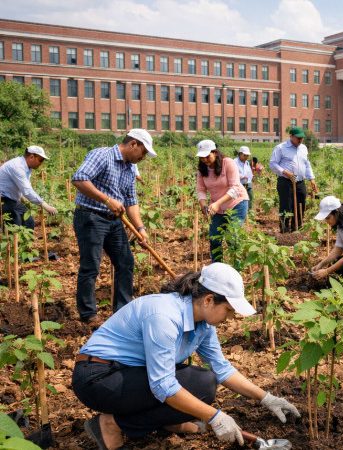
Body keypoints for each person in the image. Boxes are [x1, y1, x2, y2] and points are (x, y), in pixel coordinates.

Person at [72, 263, 300, 450]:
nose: (231, 318)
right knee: (192, 388)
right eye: (229, 310)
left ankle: (166, 422)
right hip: (99, 377)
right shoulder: (164, 316)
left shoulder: (204, 325)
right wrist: (215, 417)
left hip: (131, 374)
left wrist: (266, 398)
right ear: (209, 300)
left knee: (205, 383)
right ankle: (111, 424)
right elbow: (163, 385)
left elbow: (221, 369)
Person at [72, 129, 155, 328]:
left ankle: (122, 310)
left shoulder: (130, 169)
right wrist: (106, 200)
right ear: (133, 144)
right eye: (143, 152)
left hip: (114, 220)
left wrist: (141, 228)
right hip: (91, 216)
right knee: (91, 265)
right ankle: (88, 314)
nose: (143, 158)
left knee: (126, 261)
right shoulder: (102, 155)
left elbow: (131, 201)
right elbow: (79, 178)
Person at [195, 139, 249, 262]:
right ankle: (217, 267)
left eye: (207, 156)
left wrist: (217, 203)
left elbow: (235, 188)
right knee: (214, 238)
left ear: (215, 152)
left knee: (232, 237)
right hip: (218, 208)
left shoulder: (227, 163)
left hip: (237, 203)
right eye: (202, 157)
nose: (204, 160)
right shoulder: (202, 170)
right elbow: (201, 190)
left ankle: (237, 267)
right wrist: (203, 206)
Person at [269, 127, 317, 232]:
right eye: (298, 138)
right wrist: (285, 172)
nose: (300, 140)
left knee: (301, 204)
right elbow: (272, 164)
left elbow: (307, 164)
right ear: (291, 136)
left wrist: (311, 178)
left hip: (300, 182)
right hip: (285, 182)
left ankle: (297, 228)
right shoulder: (281, 148)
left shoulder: (303, 148)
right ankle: (284, 229)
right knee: (286, 205)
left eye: (302, 138)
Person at [0, 145, 58, 229]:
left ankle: (25, 241)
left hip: (10, 199)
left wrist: (22, 197)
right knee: (16, 223)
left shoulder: (26, 167)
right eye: (41, 160)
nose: (41, 163)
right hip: (3, 200)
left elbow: (24, 187)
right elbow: (27, 190)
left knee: (28, 222)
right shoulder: (17, 167)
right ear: (31, 157)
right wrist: (45, 205)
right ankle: (11, 240)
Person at [235, 146, 254, 211]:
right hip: (239, 184)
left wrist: (251, 176)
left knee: (250, 197)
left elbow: (249, 172)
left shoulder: (247, 162)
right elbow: (233, 174)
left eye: (247, 155)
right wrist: (242, 176)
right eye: (245, 155)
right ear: (240, 154)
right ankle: (241, 212)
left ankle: (249, 212)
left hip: (248, 183)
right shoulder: (234, 162)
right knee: (240, 199)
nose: (246, 157)